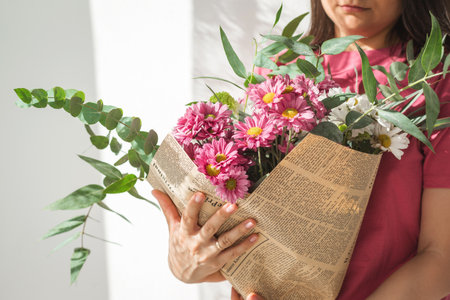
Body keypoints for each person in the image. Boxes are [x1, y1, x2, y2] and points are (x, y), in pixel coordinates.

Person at [152, 0, 450, 299]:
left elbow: (440, 258)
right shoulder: (280, 68)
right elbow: (255, 235)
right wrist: (190, 262)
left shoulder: (434, 83)